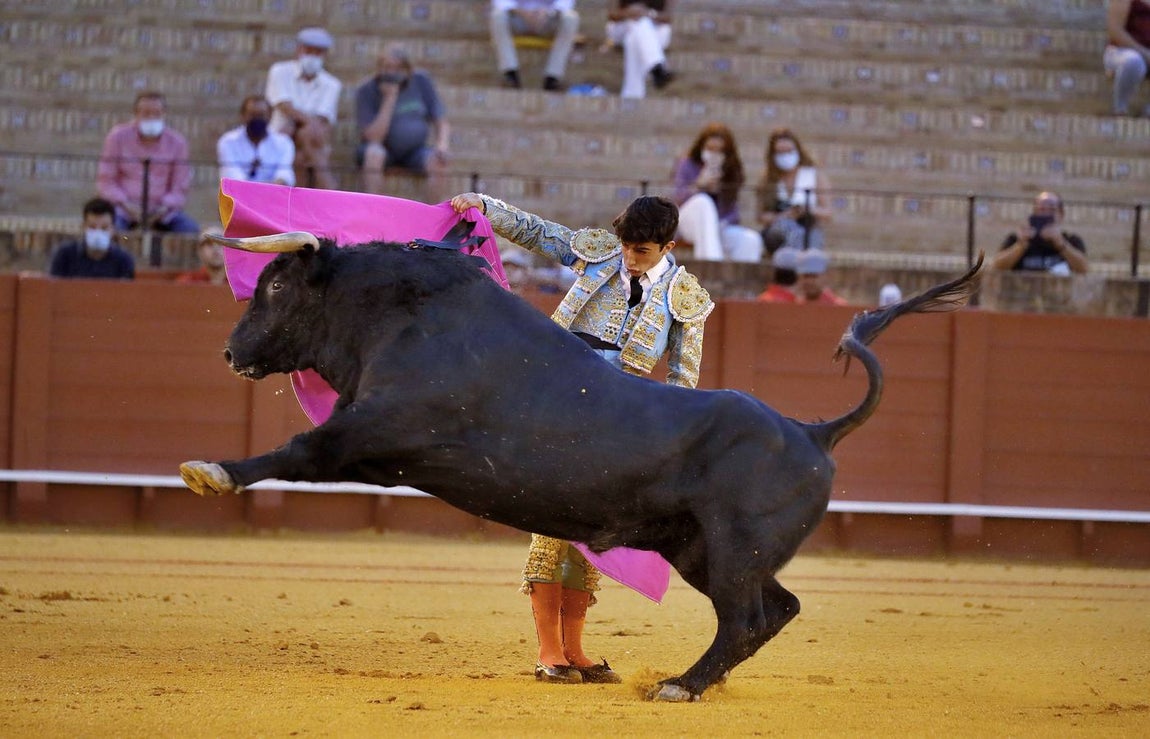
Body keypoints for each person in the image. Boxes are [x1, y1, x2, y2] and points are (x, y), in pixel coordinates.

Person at [449, 190, 713, 685]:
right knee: (553, 523)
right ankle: (550, 652)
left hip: (620, 424)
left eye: (642, 251)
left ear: (669, 247)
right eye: (626, 246)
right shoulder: (598, 254)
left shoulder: (687, 298)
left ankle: (575, 650)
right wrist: (486, 206)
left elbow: (683, 381)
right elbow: (538, 231)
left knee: (594, 533)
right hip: (558, 406)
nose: (630, 258)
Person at [354, 43, 450, 197]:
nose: (392, 73)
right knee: (374, 154)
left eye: (397, 68)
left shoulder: (421, 81)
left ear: (407, 70)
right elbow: (374, 137)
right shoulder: (367, 89)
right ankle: (376, 214)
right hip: (383, 150)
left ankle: (435, 215)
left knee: (438, 160)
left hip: (416, 151)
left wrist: (442, 144)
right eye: (387, 67)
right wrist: (389, 98)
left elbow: (440, 119)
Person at [96, 91, 198, 234]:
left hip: (164, 212)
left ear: (164, 114)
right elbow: (106, 180)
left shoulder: (178, 143)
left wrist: (163, 207)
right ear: (136, 114)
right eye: (146, 113)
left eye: (156, 113)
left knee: (190, 231)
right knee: (112, 231)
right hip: (123, 209)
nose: (151, 117)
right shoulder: (117, 138)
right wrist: (126, 204)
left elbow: (180, 186)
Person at [671, 122, 763, 262]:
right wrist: (699, 185)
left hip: (720, 225)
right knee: (703, 202)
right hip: (688, 221)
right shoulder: (688, 163)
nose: (713, 154)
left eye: (718, 150)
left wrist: (720, 193)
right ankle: (711, 267)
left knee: (750, 240)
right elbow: (678, 197)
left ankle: (737, 282)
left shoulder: (730, 171)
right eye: (710, 148)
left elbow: (734, 214)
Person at [265, 27, 342, 189]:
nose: (312, 56)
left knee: (302, 153)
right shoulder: (280, 71)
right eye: (308, 50)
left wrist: (304, 127)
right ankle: (330, 191)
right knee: (303, 142)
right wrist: (307, 124)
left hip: (310, 140)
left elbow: (323, 119)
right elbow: (284, 105)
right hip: (281, 137)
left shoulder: (332, 84)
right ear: (298, 50)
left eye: (318, 52)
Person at [757, 128, 832, 255]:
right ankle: (795, 264)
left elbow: (827, 213)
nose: (785, 156)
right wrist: (784, 216)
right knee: (791, 229)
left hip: (807, 226)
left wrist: (806, 209)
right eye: (780, 152)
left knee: (813, 237)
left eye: (789, 151)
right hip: (777, 231)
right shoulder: (768, 179)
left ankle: (806, 267)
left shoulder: (814, 175)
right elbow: (761, 216)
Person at [489, 0, 581, 91]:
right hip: (518, 19)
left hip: (547, 20)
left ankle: (553, 77)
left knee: (571, 18)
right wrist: (522, 12)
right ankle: (510, 73)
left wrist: (547, 12)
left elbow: (566, 3)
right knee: (497, 16)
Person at [991, 191, 1089, 275]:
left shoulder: (1072, 240)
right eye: (1041, 209)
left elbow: (1083, 269)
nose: (1045, 214)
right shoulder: (1016, 239)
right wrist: (1020, 246)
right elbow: (996, 267)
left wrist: (1061, 244)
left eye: (1051, 210)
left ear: (1061, 214)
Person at [216, 96, 296, 186]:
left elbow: (284, 174)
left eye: (261, 115)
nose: (257, 120)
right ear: (242, 116)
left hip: (273, 196)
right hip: (236, 198)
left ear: (270, 116)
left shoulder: (284, 143)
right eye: (252, 115)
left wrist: (268, 189)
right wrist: (259, 190)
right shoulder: (228, 142)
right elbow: (232, 177)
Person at [48, 197, 135, 279]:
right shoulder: (65, 255)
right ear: (83, 227)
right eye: (92, 227)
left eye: (104, 228)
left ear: (113, 229)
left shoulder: (123, 260)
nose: (98, 232)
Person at [603, 0, 675, 98]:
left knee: (633, 37)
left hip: (654, 30)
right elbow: (612, 15)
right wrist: (629, 13)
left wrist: (647, 13)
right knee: (637, 23)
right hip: (622, 26)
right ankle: (656, 68)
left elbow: (667, 17)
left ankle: (631, 95)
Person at [1104, 0, 1150, 116]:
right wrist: (1145, 53)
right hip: (1122, 52)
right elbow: (1115, 30)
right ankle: (1120, 108)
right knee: (1134, 62)